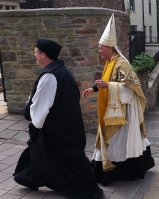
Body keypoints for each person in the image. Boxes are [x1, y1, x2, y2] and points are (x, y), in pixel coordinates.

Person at [13, 39, 103, 198]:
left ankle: (90, 191)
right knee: (43, 156)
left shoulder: (50, 76)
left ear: (43, 54)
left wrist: (35, 121)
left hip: (59, 132)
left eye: (36, 51)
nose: (34, 54)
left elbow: (39, 107)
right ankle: (31, 177)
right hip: (67, 128)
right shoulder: (62, 70)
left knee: (70, 162)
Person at [81, 13, 155, 186]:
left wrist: (109, 87)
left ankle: (119, 171)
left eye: (100, 48)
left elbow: (130, 91)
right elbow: (107, 81)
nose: (99, 51)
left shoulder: (122, 64)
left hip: (123, 113)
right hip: (110, 108)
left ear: (109, 48)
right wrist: (94, 88)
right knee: (110, 141)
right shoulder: (109, 62)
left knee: (118, 142)